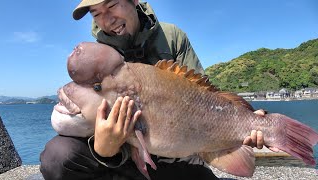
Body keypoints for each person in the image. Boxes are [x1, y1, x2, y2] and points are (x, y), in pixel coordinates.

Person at [40, 0, 267, 179]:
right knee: (57, 157)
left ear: (134, 0)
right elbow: (87, 114)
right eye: (96, 14)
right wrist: (103, 148)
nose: (107, 20)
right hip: (123, 156)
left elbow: (204, 98)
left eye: (111, 5)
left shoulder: (172, 37)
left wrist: (244, 121)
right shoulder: (95, 58)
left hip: (179, 153)